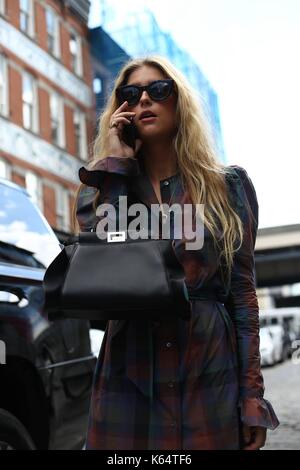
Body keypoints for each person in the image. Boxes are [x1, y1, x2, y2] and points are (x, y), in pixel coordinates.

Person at [72, 55, 279, 450]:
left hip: (208, 373)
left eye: (159, 90)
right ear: (121, 110)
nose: (144, 99)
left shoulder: (227, 186)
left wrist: (251, 395)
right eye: (130, 94)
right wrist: (118, 164)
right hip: (129, 379)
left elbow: (242, 295)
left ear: (179, 99)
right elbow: (100, 258)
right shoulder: (105, 183)